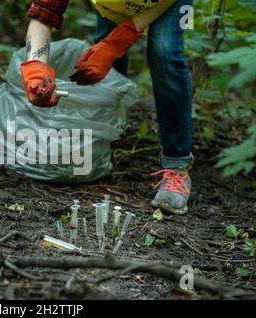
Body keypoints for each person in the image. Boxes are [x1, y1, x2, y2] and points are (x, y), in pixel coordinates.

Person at [20, 0, 194, 215]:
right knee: (103, 49)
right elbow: (44, 13)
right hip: (113, 4)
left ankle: (177, 165)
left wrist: (121, 39)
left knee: (165, 51)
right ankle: (103, 143)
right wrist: (36, 66)